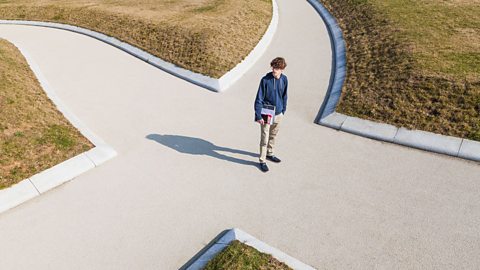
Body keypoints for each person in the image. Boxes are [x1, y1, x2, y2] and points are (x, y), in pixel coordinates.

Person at [254, 57, 288, 172]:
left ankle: (270, 153)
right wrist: (258, 115)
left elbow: (284, 96)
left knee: (273, 135)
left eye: (277, 68)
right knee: (264, 137)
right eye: (273, 67)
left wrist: (283, 110)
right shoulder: (265, 80)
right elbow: (259, 98)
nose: (274, 70)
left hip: (279, 114)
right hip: (266, 113)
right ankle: (262, 160)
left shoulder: (284, 80)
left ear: (282, 69)